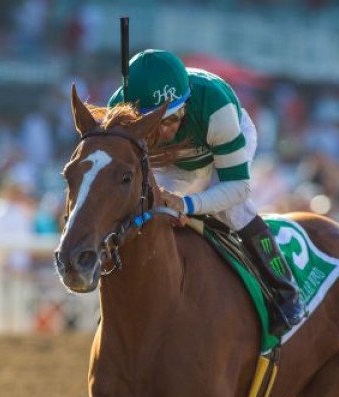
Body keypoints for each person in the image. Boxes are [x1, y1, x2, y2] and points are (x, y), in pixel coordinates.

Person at [109, 49, 304, 334]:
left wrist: (187, 204)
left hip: (219, 146)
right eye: (155, 122)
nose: (164, 131)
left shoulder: (215, 106)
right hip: (173, 163)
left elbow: (238, 187)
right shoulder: (120, 110)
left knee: (232, 208)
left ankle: (285, 290)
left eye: (172, 118)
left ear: (186, 102)